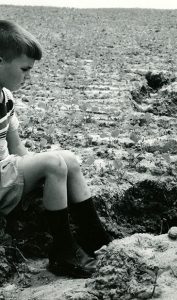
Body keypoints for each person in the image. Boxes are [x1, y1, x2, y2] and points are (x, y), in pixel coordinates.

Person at [0, 20, 111, 278]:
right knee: (53, 163)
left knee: (68, 159)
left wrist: (41, 173)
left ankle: (96, 240)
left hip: (6, 173)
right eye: (24, 69)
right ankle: (63, 249)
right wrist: (47, 166)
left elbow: (17, 149)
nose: (28, 77)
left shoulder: (6, 99)